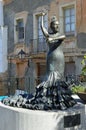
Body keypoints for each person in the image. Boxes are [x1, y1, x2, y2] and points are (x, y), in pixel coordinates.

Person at [41, 13, 65, 85]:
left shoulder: (60, 35)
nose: (57, 26)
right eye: (55, 24)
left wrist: (52, 39)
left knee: (60, 76)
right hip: (51, 58)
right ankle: (49, 91)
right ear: (51, 26)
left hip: (59, 58)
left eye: (58, 24)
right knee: (49, 76)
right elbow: (42, 27)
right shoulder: (49, 35)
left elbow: (63, 37)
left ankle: (58, 91)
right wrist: (42, 16)